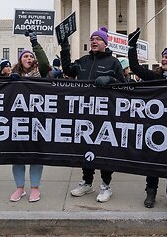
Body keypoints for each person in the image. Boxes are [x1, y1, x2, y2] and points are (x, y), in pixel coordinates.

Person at [60, 26, 125, 203]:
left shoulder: (114, 63)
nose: (94, 41)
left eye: (98, 39)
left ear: (105, 43)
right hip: (84, 113)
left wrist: (111, 80)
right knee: (85, 149)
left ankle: (105, 185)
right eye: (92, 39)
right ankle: (87, 182)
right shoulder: (83, 61)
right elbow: (68, 69)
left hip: (104, 115)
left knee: (104, 149)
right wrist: (65, 46)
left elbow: (124, 86)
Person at [127, 28, 167, 210]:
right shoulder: (155, 76)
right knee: (153, 162)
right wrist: (132, 47)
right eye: (162, 56)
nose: (163, 59)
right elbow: (136, 68)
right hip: (156, 125)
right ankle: (150, 193)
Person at [9, 31, 50, 202]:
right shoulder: (12, 76)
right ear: (20, 60)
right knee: (17, 155)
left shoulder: (40, 74)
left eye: (31, 56)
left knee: (35, 154)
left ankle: (34, 187)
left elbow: (45, 63)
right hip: (17, 121)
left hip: (36, 120)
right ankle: (20, 188)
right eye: (25, 56)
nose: (29, 58)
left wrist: (34, 43)